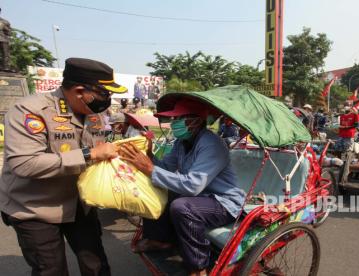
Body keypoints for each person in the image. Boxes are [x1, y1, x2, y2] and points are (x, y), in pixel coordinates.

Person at [0, 57, 127, 275]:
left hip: (80, 203)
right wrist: (90, 154)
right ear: (79, 91)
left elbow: (101, 147)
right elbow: (24, 163)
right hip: (35, 208)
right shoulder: (30, 111)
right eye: (104, 94)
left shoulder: (96, 112)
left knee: (96, 266)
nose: (108, 100)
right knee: (51, 270)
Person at [119, 99, 245, 276]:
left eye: (179, 118)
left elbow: (192, 185)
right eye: (174, 119)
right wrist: (148, 156)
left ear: (197, 120)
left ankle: (198, 267)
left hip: (223, 202)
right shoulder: (181, 143)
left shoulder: (212, 144)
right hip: (200, 197)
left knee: (182, 206)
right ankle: (159, 239)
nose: (174, 123)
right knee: (154, 185)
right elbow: (166, 169)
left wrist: (150, 168)